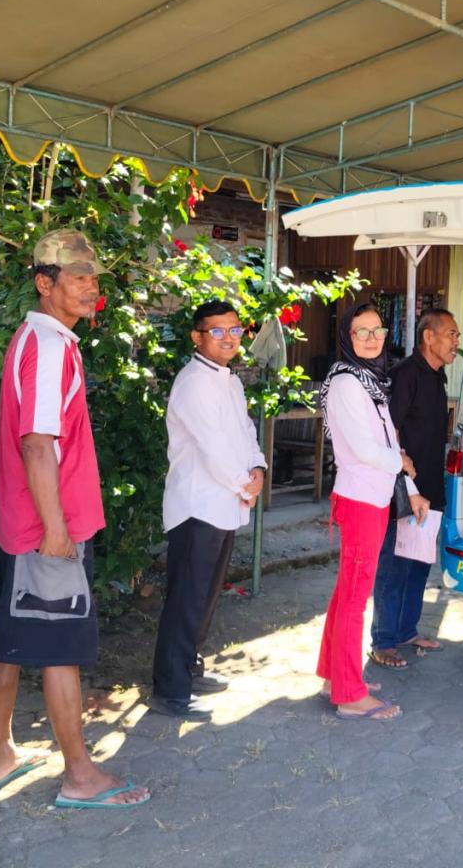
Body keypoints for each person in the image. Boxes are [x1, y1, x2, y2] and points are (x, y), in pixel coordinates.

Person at [0, 229, 150, 809]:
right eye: (77, 277)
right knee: (61, 647)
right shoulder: (50, 345)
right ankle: (79, 776)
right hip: (46, 528)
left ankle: (0, 757)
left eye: (93, 277)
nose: (90, 286)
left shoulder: (34, 338)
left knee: (8, 636)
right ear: (43, 283)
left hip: (18, 522)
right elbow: (36, 442)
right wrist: (56, 529)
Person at [150, 300, 267, 717]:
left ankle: (189, 668)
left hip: (224, 503)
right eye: (217, 331)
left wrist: (257, 468)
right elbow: (213, 447)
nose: (228, 339)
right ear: (197, 337)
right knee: (187, 599)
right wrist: (243, 483)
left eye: (234, 330)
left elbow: (244, 431)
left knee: (205, 597)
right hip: (198, 506)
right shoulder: (194, 383)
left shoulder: (229, 381)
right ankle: (171, 690)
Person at [316, 302, 429, 720]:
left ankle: (335, 676)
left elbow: (388, 442)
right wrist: (401, 463)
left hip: (374, 496)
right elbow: (366, 449)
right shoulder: (347, 382)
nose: (371, 338)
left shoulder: (370, 381)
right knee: (354, 599)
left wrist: (409, 486)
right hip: (361, 499)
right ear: (347, 336)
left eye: (377, 330)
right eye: (361, 331)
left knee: (347, 593)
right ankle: (349, 695)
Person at [369, 308, 459, 670]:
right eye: (450, 334)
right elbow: (388, 433)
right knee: (394, 565)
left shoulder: (437, 377)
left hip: (431, 486)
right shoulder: (404, 375)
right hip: (403, 489)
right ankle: (383, 640)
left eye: (456, 335)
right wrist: (405, 484)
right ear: (428, 336)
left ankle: (406, 630)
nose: (456, 342)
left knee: (419, 562)